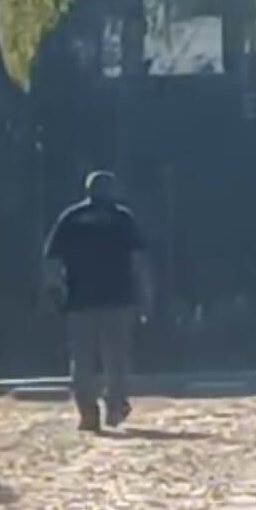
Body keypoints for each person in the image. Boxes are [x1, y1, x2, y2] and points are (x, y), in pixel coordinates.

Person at [43, 171, 152, 433]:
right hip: (118, 298)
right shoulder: (122, 219)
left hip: (80, 300)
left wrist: (54, 289)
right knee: (117, 358)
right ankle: (115, 405)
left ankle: (88, 413)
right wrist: (145, 295)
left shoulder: (71, 218)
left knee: (82, 360)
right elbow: (138, 262)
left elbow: (51, 259)